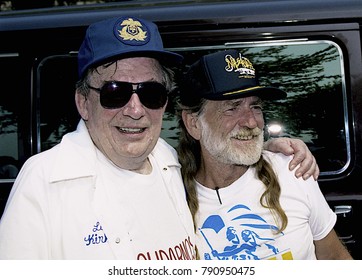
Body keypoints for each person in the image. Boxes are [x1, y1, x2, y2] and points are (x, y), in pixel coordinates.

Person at [0, 17, 317, 260]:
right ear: (83, 102)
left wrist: (269, 148)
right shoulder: (45, 182)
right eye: (115, 92)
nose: (135, 110)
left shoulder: (169, 162)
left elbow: (218, 150)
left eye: (150, 92)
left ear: (164, 101)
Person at [177, 49, 353, 260]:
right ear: (194, 124)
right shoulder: (173, 194)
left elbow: (336, 261)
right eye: (232, 108)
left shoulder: (292, 171)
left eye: (256, 106)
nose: (251, 122)